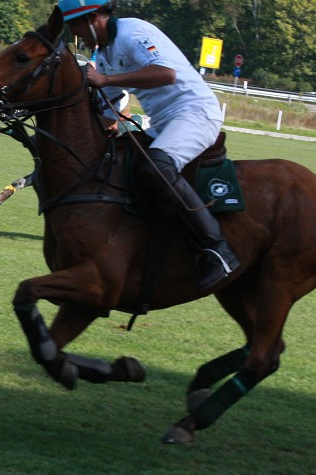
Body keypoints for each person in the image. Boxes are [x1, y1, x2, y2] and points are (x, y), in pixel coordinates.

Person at [58, 0, 240, 292]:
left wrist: (105, 79)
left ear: (93, 18)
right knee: (119, 163)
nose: (74, 32)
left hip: (194, 112)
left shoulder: (133, 32)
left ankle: (218, 250)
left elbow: (166, 73)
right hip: (162, 121)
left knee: (156, 167)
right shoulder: (104, 56)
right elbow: (106, 113)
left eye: (75, 24)